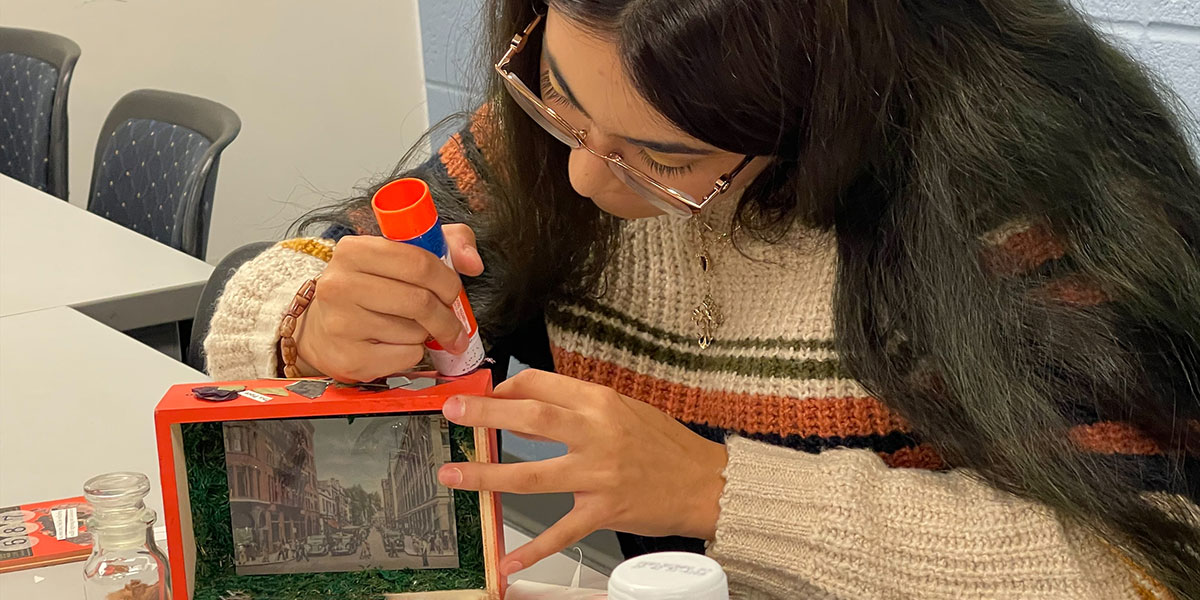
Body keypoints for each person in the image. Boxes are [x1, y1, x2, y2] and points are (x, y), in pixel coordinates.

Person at [204, 0, 1200, 597]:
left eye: (668, 158)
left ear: (814, 108)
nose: (588, 181)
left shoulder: (1012, 199)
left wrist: (718, 491)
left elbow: (1143, 562)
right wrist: (311, 319)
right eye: (555, 98)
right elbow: (283, 276)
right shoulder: (575, 143)